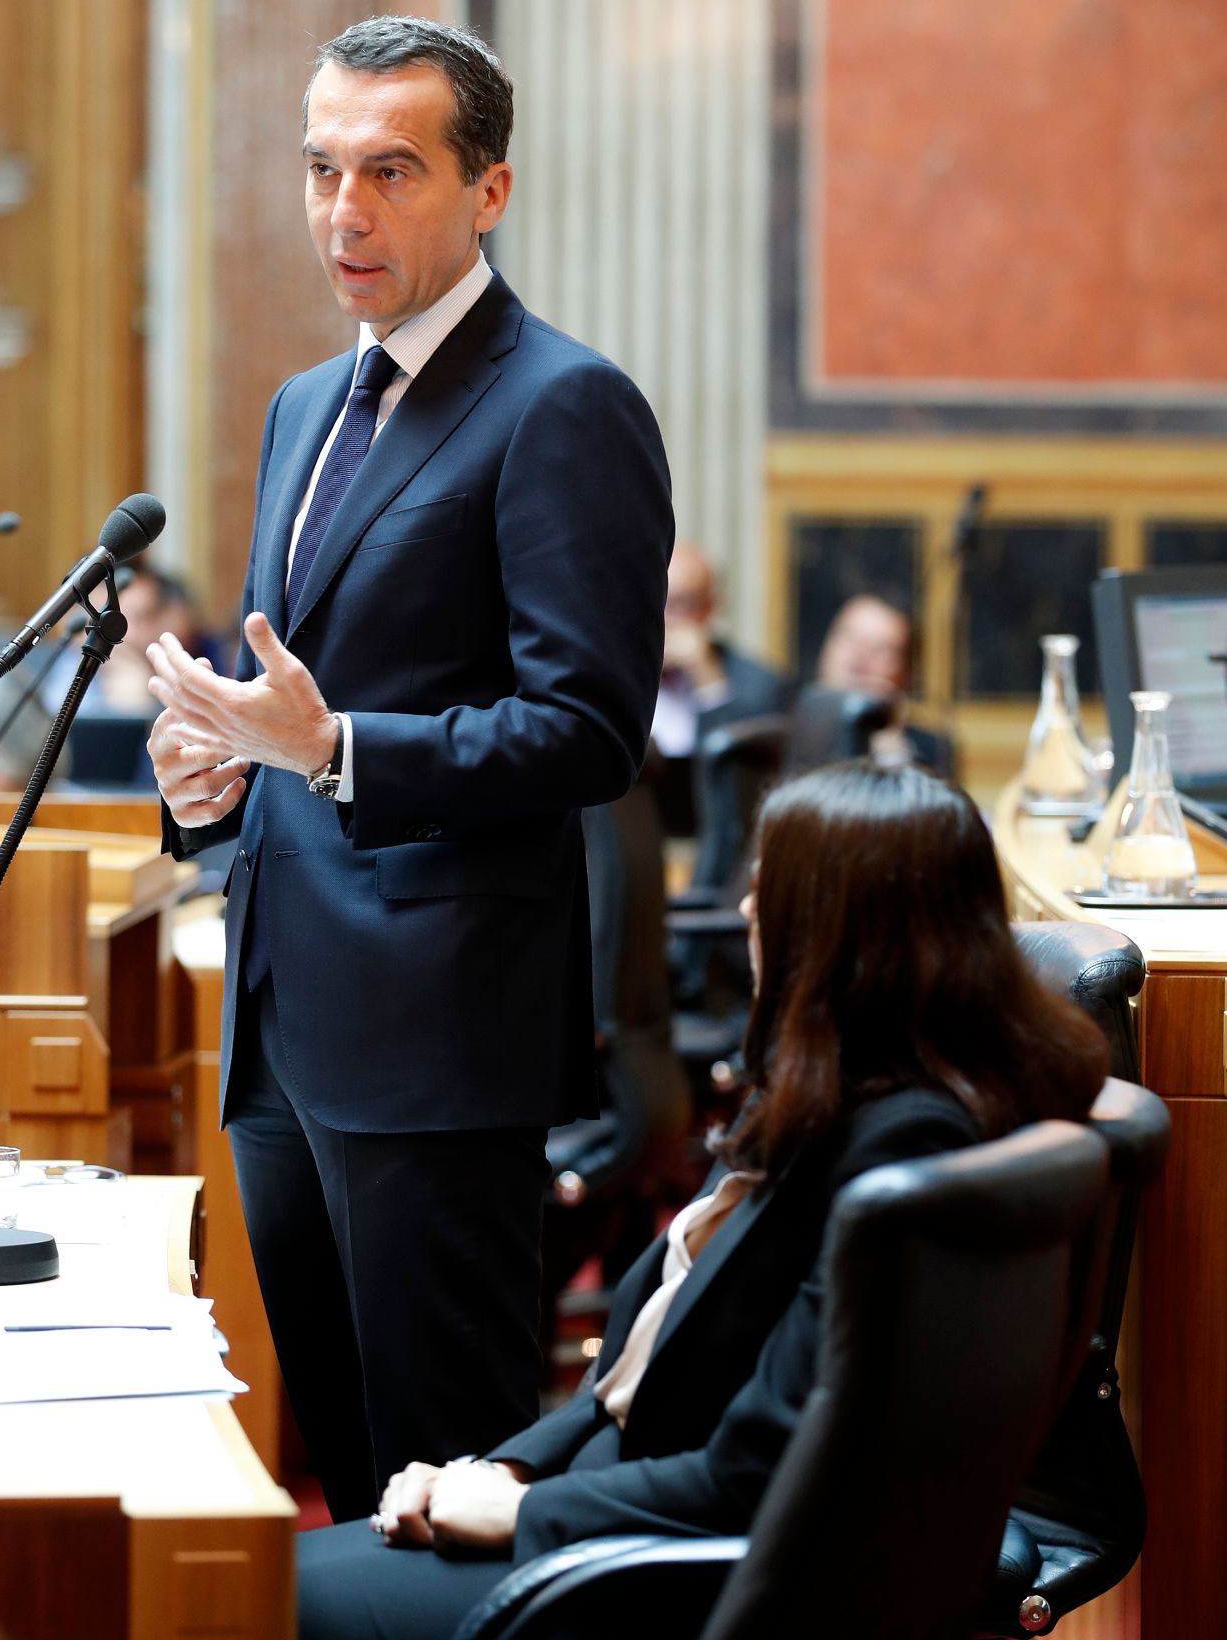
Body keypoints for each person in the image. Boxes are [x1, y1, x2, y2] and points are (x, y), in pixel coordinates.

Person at [144, 16, 673, 1519]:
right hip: (279, 1019)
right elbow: (291, 701)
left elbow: (585, 731)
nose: (344, 212)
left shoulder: (560, 404)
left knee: (443, 1485)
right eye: (321, 169)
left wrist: (333, 750)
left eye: (390, 171)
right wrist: (224, 774)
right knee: (340, 1469)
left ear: (488, 189)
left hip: (439, 1040)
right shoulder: (305, 405)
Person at [297, 761, 1108, 1640]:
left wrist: (526, 1514)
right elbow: (631, 1376)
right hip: (609, 1504)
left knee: (240, 1589)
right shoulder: (827, 1093)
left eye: (773, 892)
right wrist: (500, 1470)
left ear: (840, 930)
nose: (750, 914)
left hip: (649, 1564)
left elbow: (758, 1473)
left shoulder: (896, 1150)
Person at [652, 542, 789, 840]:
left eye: (681, 605)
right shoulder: (610, 672)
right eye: (654, 600)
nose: (664, 619)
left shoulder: (758, 685)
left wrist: (710, 683)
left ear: (710, 608)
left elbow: (739, 793)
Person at [814, 593, 954, 775]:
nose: (859, 656)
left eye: (880, 649)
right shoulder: (779, 726)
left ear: (907, 675)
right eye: (849, 637)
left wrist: (892, 757)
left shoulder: (930, 750)